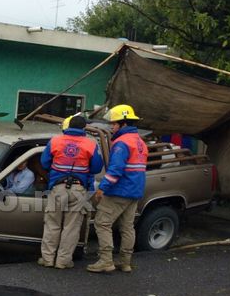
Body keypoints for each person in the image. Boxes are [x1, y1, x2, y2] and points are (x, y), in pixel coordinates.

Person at [87, 104, 148, 273]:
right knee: (127, 227)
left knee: (102, 223)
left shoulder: (122, 143)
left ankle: (106, 261)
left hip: (120, 191)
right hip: (135, 191)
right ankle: (125, 262)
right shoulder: (140, 142)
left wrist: (102, 189)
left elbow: (115, 170)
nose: (111, 127)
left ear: (124, 124)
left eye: (114, 124)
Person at [38, 115, 103, 269]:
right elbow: (96, 168)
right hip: (79, 189)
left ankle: (48, 259)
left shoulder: (55, 141)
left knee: (52, 224)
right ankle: (63, 261)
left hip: (58, 187)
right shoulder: (91, 144)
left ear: (68, 126)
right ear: (83, 128)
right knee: (71, 227)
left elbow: (44, 162)